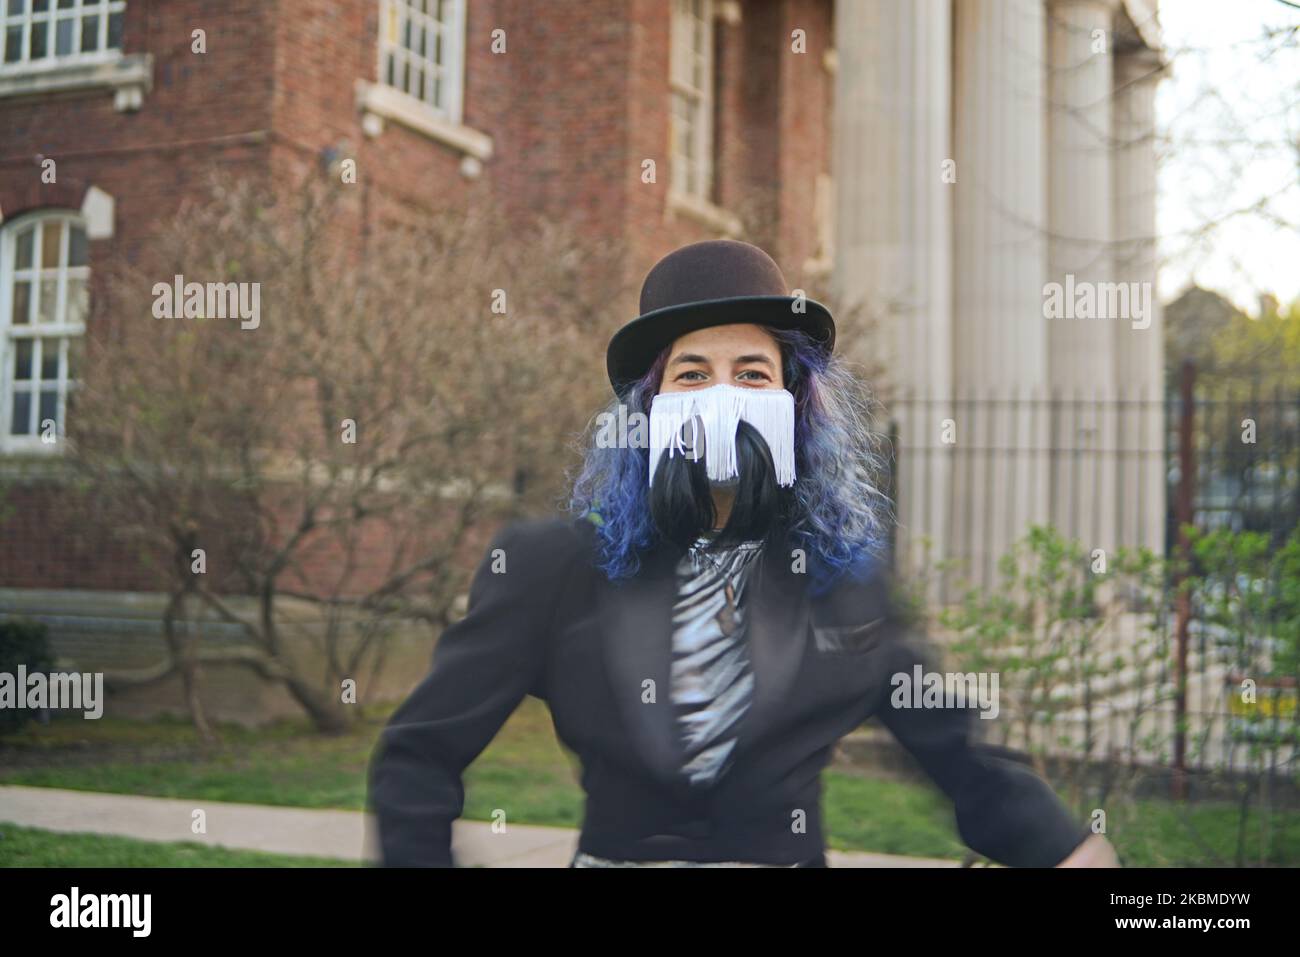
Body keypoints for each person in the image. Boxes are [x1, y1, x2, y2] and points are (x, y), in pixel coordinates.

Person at [368, 239, 1119, 868]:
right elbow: (418, 754)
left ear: (794, 405)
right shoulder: (552, 567)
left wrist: (1067, 847)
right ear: (650, 407)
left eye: (751, 373)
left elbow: (960, 754)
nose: (722, 394)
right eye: (693, 373)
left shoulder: (843, 578)